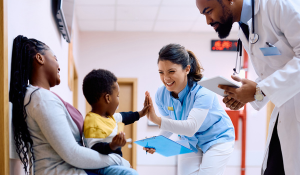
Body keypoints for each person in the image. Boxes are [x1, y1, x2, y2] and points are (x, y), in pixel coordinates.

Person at [196, 0, 300, 174]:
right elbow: (270, 76)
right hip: (286, 114)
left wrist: (260, 90)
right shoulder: (245, 28)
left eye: (209, 11)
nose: (208, 21)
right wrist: (245, 94)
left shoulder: (277, 5)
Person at [9, 35, 133, 175]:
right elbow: (73, 153)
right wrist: (116, 159)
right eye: (55, 58)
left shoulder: (42, 97)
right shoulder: (41, 99)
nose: (59, 66)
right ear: (40, 58)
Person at [144, 43, 235, 175]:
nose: (166, 78)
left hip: (217, 137)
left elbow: (191, 127)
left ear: (187, 69)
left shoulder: (204, 89)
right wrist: (158, 142)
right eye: (161, 72)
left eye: (171, 71)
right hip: (189, 140)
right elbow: (169, 123)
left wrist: (156, 120)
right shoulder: (161, 94)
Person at [82, 69, 150, 175]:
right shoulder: (92, 122)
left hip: (112, 163)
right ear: (108, 98)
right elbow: (94, 149)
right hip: (102, 166)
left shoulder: (110, 117)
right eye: (117, 96)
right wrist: (112, 146)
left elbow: (125, 116)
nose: (118, 100)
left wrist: (141, 113)